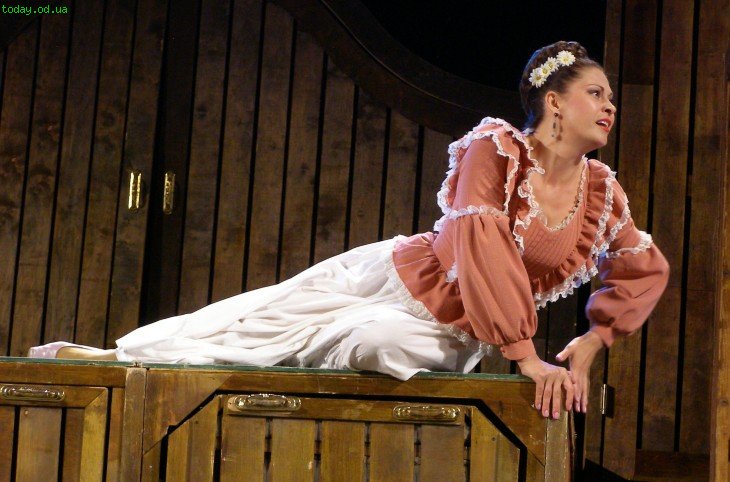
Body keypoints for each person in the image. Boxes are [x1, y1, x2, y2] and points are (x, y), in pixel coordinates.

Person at [28, 41, 670, 420]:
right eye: (595, 93)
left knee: (376, 344)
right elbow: (483, 245)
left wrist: (595, 339)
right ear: (554, 101)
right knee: (254, 321)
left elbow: (644, 268)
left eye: (610, 96)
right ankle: (115, 363)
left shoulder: (600, 192)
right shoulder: (496, 150)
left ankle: (266, 359)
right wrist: (526, 357)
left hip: (455, 327)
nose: (609, 105)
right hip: (390, 276)